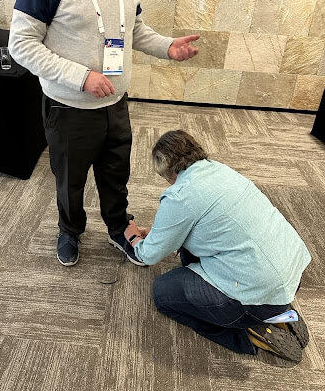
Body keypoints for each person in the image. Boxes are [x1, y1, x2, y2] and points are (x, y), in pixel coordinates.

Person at [8, 0, 199, 267]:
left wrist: (168, 47)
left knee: (116, 175)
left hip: (116, 105)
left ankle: (117, 227)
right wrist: (81, 77)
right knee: (70, 182)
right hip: (70, 110)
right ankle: (70, 229)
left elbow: (135, 29)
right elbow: (22, 45)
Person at [124, 130, 311, 363]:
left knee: (163, 293)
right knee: (197, 249)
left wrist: (133, 238)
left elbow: (149, 255)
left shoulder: (180, 196)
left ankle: (246, 332)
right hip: (291, 272)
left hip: (256, 295)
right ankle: (279, 310)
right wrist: (160, 233)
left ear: (168, 170)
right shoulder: (221, 170)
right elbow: (212, 222)